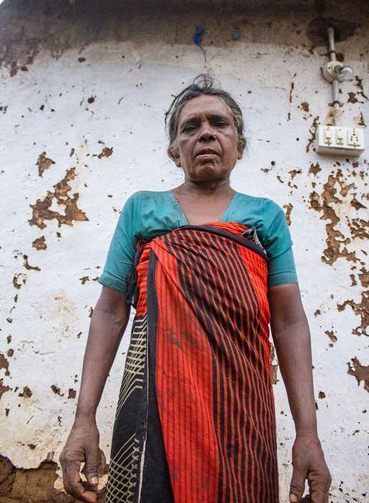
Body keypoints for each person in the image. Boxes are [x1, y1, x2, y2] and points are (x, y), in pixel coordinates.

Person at [60, 74, 331, 503]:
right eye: (191, 126)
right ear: (174, 151)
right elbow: (111, 312)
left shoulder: (265, 218)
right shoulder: (141, 209)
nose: (205, 132)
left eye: (218, 123)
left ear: (238, 145)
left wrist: (308, 434)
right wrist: (83, 418)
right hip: (153, 402)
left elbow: (289, 321)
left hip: (241, 403)